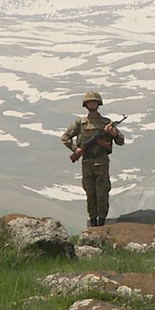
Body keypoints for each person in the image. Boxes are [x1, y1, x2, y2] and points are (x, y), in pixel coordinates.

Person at [61, 91, 125, 227]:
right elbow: (65, 137)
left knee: (102, 193)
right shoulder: (81, 123)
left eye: (94, 102)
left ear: (98, 104)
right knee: (90, 194)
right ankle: (93, 222)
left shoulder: (106, 123)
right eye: (90, 102)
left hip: (101, 162)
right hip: (87, 162)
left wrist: (113, 133)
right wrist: (75, 150)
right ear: (86, 105)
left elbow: (121, 141)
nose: (92, 104)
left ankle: (101, 222)